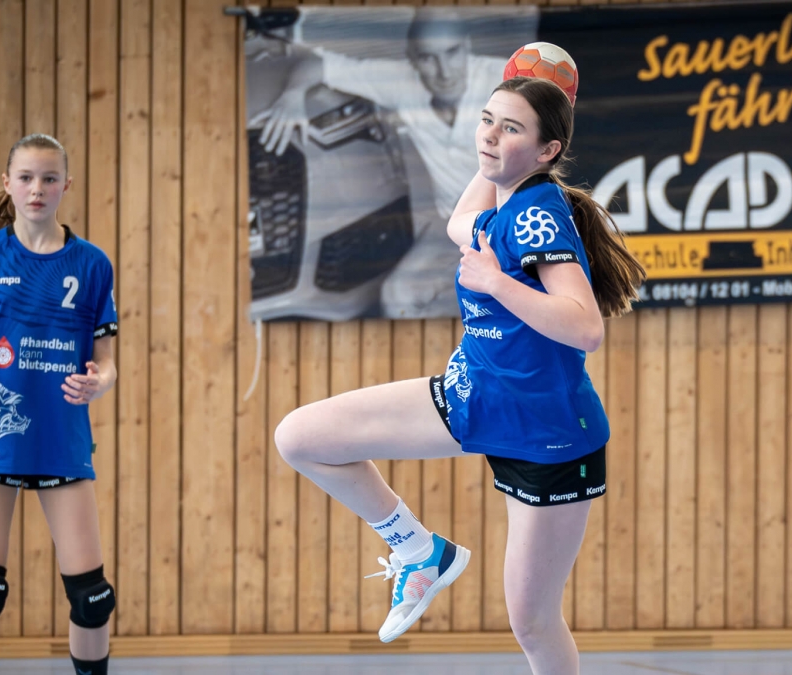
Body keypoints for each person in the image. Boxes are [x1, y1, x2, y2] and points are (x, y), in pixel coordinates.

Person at [275, 77, 645, 674]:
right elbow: (461, 221)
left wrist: (496, 283)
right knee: (300, 437)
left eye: (511, 128)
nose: (489, 135)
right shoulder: (507, 206)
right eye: (486, 119)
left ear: (548, 150)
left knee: (532, 621)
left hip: (547, 438)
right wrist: (503, 148)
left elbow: (585, 328)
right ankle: (419, 550)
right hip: (472, 395)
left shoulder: (537, 216)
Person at [0, 133, 119, 675]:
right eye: (27, 178)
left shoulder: (92, 264)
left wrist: (100, 382)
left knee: (92, 598)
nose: (38, 188)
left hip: (61, 438)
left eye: (49, 178)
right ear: (8, 184)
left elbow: (106, 362)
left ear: (66, 186)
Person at [251, 7, 517, 318]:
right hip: (455, 230)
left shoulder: (505, 83)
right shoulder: (401, 82)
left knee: (507, 297)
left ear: (467, 47)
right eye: (428, 58)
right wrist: (294, 96)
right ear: (412, 58)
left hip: (512, 222)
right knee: (396, 296)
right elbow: (317, 64)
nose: (444, 71)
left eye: (452, 53)